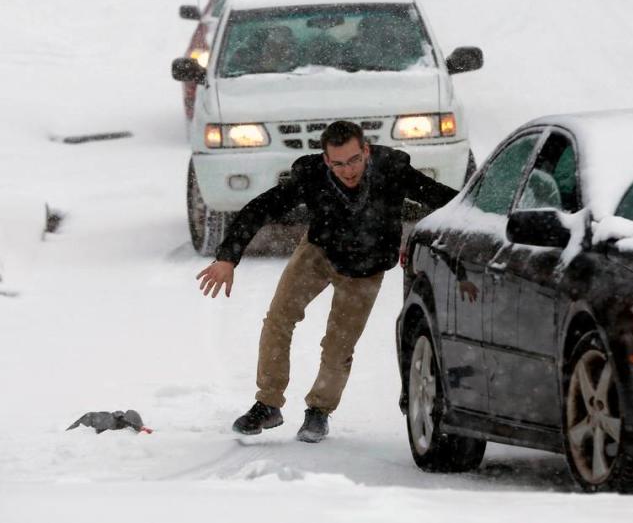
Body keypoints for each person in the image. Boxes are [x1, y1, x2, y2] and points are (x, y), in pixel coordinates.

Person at [195, 120, 459, 442]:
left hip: (365, 269)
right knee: (279, 319)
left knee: (338, 345)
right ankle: (267, 404)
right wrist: (227, 257)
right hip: (318, 252)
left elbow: (446, 201)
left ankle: (319, 411)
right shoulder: (313, 176)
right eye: (338, 164)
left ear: (366, 151)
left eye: (354, 160)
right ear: (326, 161)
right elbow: (262, 207)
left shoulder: (392, 170)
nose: (348, 171)